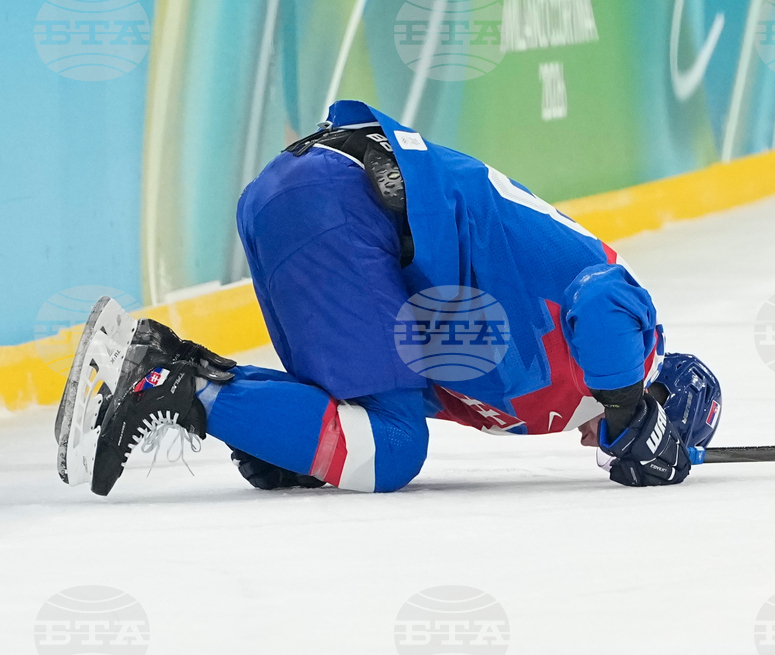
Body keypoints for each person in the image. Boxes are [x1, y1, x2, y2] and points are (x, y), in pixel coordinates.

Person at [55, 101, 722, 497]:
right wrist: (630, 405)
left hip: (314, 200)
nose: (616, 449)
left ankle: (165, 365)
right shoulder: (636, 338)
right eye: (651, 442)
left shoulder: (543, 407)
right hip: (346, 208)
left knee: (365, 432)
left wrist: (289, 434)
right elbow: (600, 298)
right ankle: (166, 384)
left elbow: (400, 388)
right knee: (393, 453)